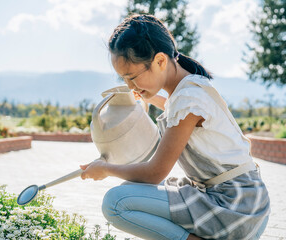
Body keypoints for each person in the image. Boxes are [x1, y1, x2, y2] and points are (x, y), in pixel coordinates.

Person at [79, 14, 270, 240]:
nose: (129, 86)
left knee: (116, 202)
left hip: (236, 206)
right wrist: (147, 98)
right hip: (240, 199)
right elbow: (171, 108)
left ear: (160, 61)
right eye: (124, 79)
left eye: (132, 77)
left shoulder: (188, 99)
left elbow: (154, 172)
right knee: (136, 191)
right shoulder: (189, 89)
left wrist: (106, 168)